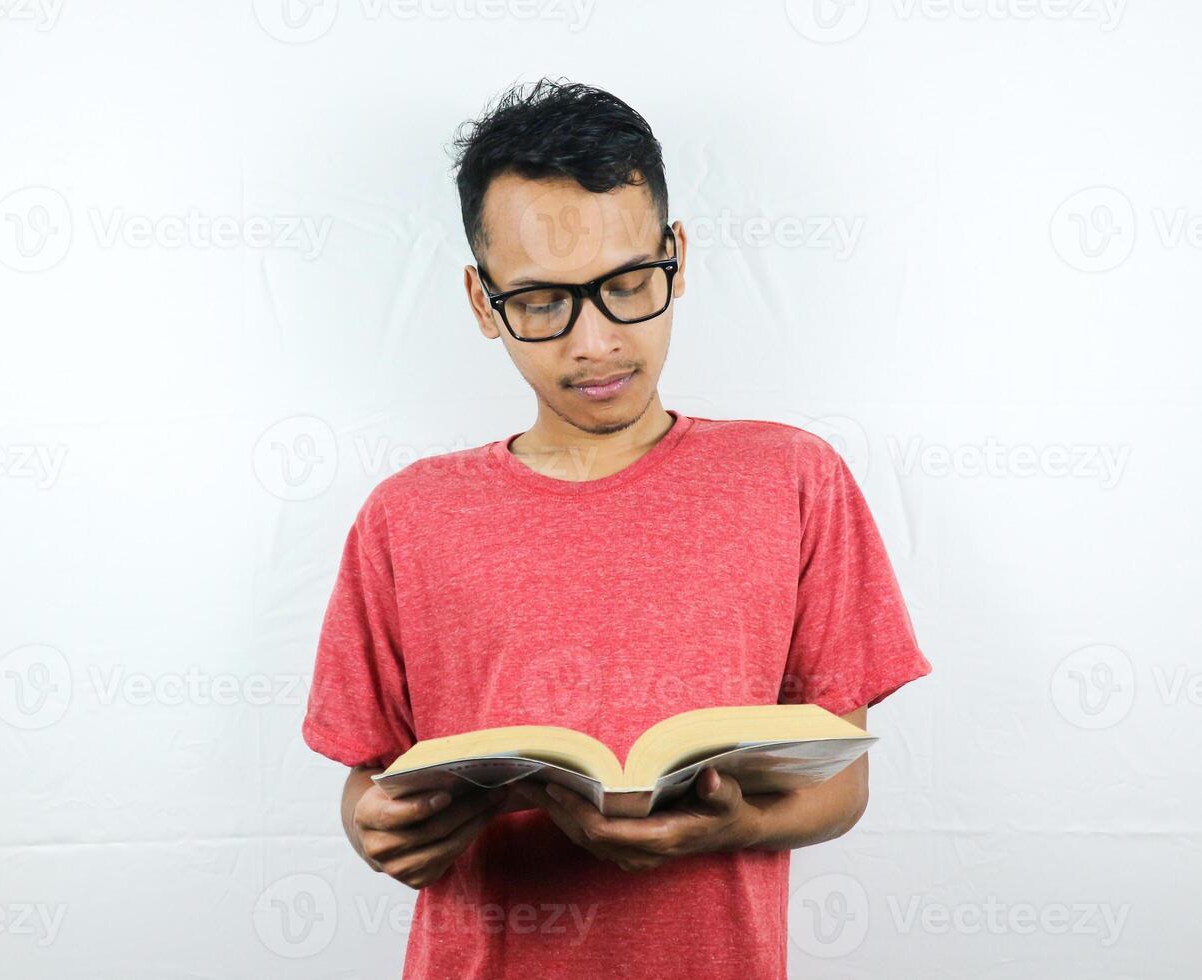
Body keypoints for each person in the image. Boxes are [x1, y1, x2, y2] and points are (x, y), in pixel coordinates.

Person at [302, 77, 933, 980]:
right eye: (541, 303)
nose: (594, 342)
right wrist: (376, 830)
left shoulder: (792, 479)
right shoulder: (407, 515)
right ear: (484, 303)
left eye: (627, 284)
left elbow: (841, 779)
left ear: (675, 256)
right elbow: (368, 782)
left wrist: (742, 824)